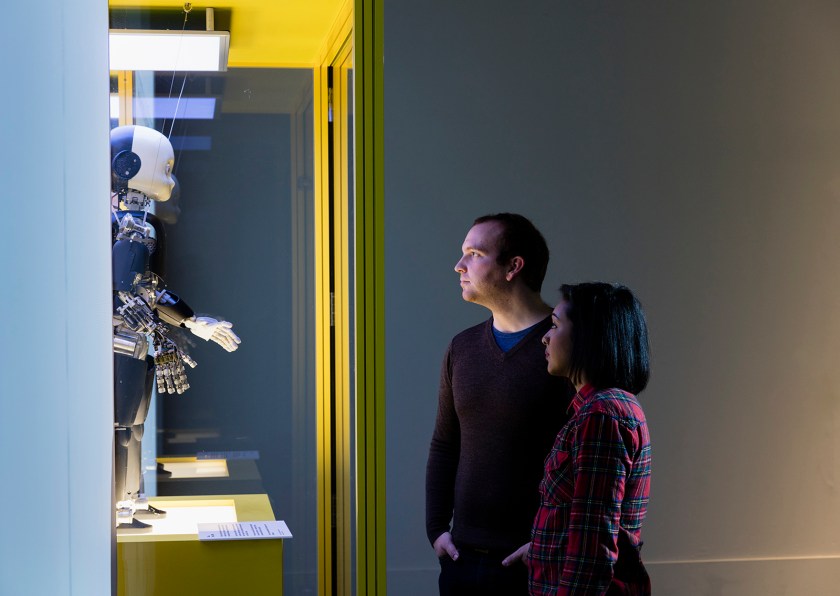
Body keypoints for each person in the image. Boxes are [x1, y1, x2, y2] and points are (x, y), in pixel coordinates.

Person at [426, 213, 575, 595]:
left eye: (474, 253)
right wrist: (437, 530)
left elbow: (586, 458)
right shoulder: (462, 347)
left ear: (513, 267)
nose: (459, 266)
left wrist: (550, 540)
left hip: (535, 559)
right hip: (461, 557)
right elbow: (445, 444)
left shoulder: (563, 348)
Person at [524, 282, 652, 595]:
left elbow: (592, 549)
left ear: (588, 337)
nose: (545, 337)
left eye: (555, 325)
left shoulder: (602, 414)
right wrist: (539, 548)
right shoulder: (602, 408)